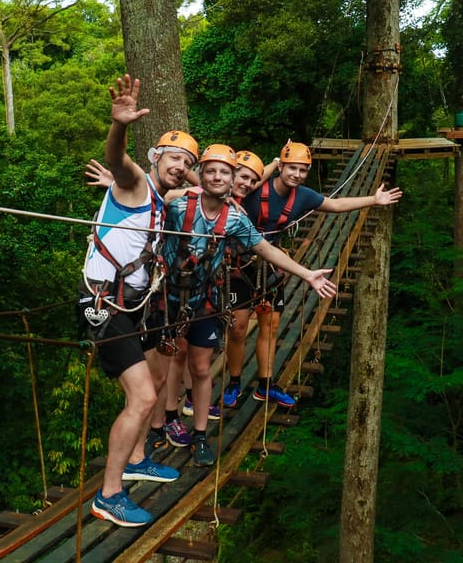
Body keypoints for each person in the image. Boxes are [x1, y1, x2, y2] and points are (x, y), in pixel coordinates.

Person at [159, 144, 338, 466]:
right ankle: (164, 423)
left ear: (232, 180)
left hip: (205, 300)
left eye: (224, 173)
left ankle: (200, 436)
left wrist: (307, 274)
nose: (217, 177)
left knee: (201, 368)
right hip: (168, 300)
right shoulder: (177, 205)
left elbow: (266, 249)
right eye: (211, 171)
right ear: (201, 174)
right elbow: (150, 209)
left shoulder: (236, 219)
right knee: (168, 363)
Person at [77, 74, 199, 528]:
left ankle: (137, 457)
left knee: (154, 373)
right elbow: (120, 163)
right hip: (105, 304)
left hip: (133, 306)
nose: (180, 165)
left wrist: (190, 178)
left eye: (186, 161)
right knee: (144, 397)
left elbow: (204, 192)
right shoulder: (136, 186)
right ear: (156, 158)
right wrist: (120, 126)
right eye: (173, 157)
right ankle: (109, 494)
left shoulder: (162, 206)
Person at [221, 141, 403, 409]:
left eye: (303, 170)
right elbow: (241, 181)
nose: (296, 174)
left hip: (271, 266)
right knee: (237, 328)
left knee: (269, 325)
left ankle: (266, 385)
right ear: (280, 167)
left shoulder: (303, 196)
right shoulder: (257, 187)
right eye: (292, 168)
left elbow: (337, 204)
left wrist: (374, 201)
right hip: (239, 264)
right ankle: (234, 382)